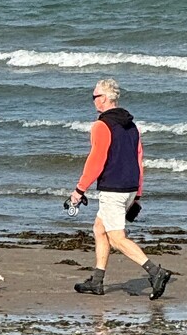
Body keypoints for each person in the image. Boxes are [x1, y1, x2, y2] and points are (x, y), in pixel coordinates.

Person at [69, 78, 172, 300]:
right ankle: (97, 281)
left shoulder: (101, 126)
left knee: (116, 238)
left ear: (105, 98)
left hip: (113, 190)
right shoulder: (132, 126)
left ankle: (156, 272)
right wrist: (138, 195)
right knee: (100, 229)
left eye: (95, 96)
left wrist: (79, 190)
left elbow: (96, 160)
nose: (93, 101)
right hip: (130, 188)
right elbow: (139, 159)